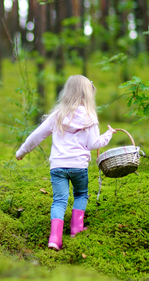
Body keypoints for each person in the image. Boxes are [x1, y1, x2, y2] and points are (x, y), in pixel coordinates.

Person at [15, 75, 116, 250]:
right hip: (78, 166)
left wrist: (22, 151)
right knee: (81, 195)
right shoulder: (90, 118)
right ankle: (76, 229)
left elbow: (37, 135)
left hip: (58, 166)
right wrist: (108, 135)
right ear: (88, 94)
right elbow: (94, 144)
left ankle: (54, 238)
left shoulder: (58, 115)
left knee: (59, 200)